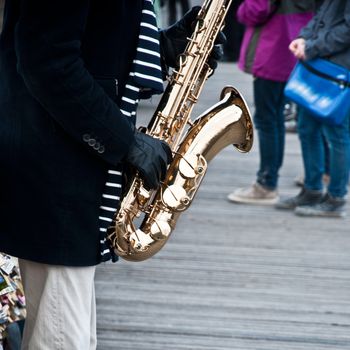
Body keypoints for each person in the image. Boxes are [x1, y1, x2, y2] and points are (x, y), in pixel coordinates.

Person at [0, 1, 223, 348]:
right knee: (64, 340)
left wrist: (165, 47)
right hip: (56, 179)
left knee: (73, 338)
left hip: (69, 174)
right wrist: (124, 141)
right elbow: (47, 62)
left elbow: (97, 46)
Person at [227, 0, 314, 205]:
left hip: (274, 48)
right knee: (309, 118)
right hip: (302, 45)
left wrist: (240, 8)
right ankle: (319, 176)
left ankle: (267, 184)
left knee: (268, 119)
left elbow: (254, 10)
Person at [276, 0, 350, 218]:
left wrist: (312, 45)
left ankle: (336, 197)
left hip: (340, 68)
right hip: (323, 61)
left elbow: (347, 29)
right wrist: (304, 37)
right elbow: (322, 15)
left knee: (337, 134)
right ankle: (312, 190)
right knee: (306, 127)